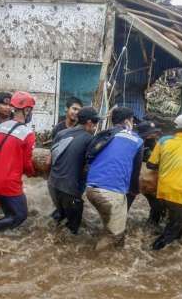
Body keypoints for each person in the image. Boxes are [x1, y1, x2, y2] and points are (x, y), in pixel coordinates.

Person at [86, 107, 144, 250]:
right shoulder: (136, 140)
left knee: (112, 228)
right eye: (132, 120)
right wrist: (134, 191)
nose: (133, 123)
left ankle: (112, 257)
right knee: (115, 236)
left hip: (91, 189)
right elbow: (135, 172)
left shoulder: (104, 135)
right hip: (110, 193)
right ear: (127, 121)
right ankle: (94, 262)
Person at [146, 114, 182, 250]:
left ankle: (169, 248)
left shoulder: (163, 141)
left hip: (161, 190)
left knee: (172, 223)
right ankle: (154, 250)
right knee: (174, 228)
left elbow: (150, 165)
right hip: (179, 193)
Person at [0, 91, 36, 231]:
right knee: (20, 215)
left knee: (8, 214)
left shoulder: (0, 127)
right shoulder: (28, 134)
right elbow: (27, 164)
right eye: (31, 110)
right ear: (26, 110)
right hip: (9, 183)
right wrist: (33, 173)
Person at [48, 107, 100, 234]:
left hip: (52, 185)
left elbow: (49, 161)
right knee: (73, 231)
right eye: (95, 124)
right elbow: (92, 167)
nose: (95, 127)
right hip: (70, 190)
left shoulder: (61, 133)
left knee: (60, 215)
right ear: (89, 123)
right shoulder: (90, 140)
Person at [126, 120, 164, 226]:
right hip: (131, 177)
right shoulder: (132, 140)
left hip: (149, 178)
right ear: (145, 134)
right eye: (152, 132)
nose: (155, 134)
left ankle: (152, 224)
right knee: (126, 201)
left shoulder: (153, 143)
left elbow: (156, 159)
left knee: (157, 204)